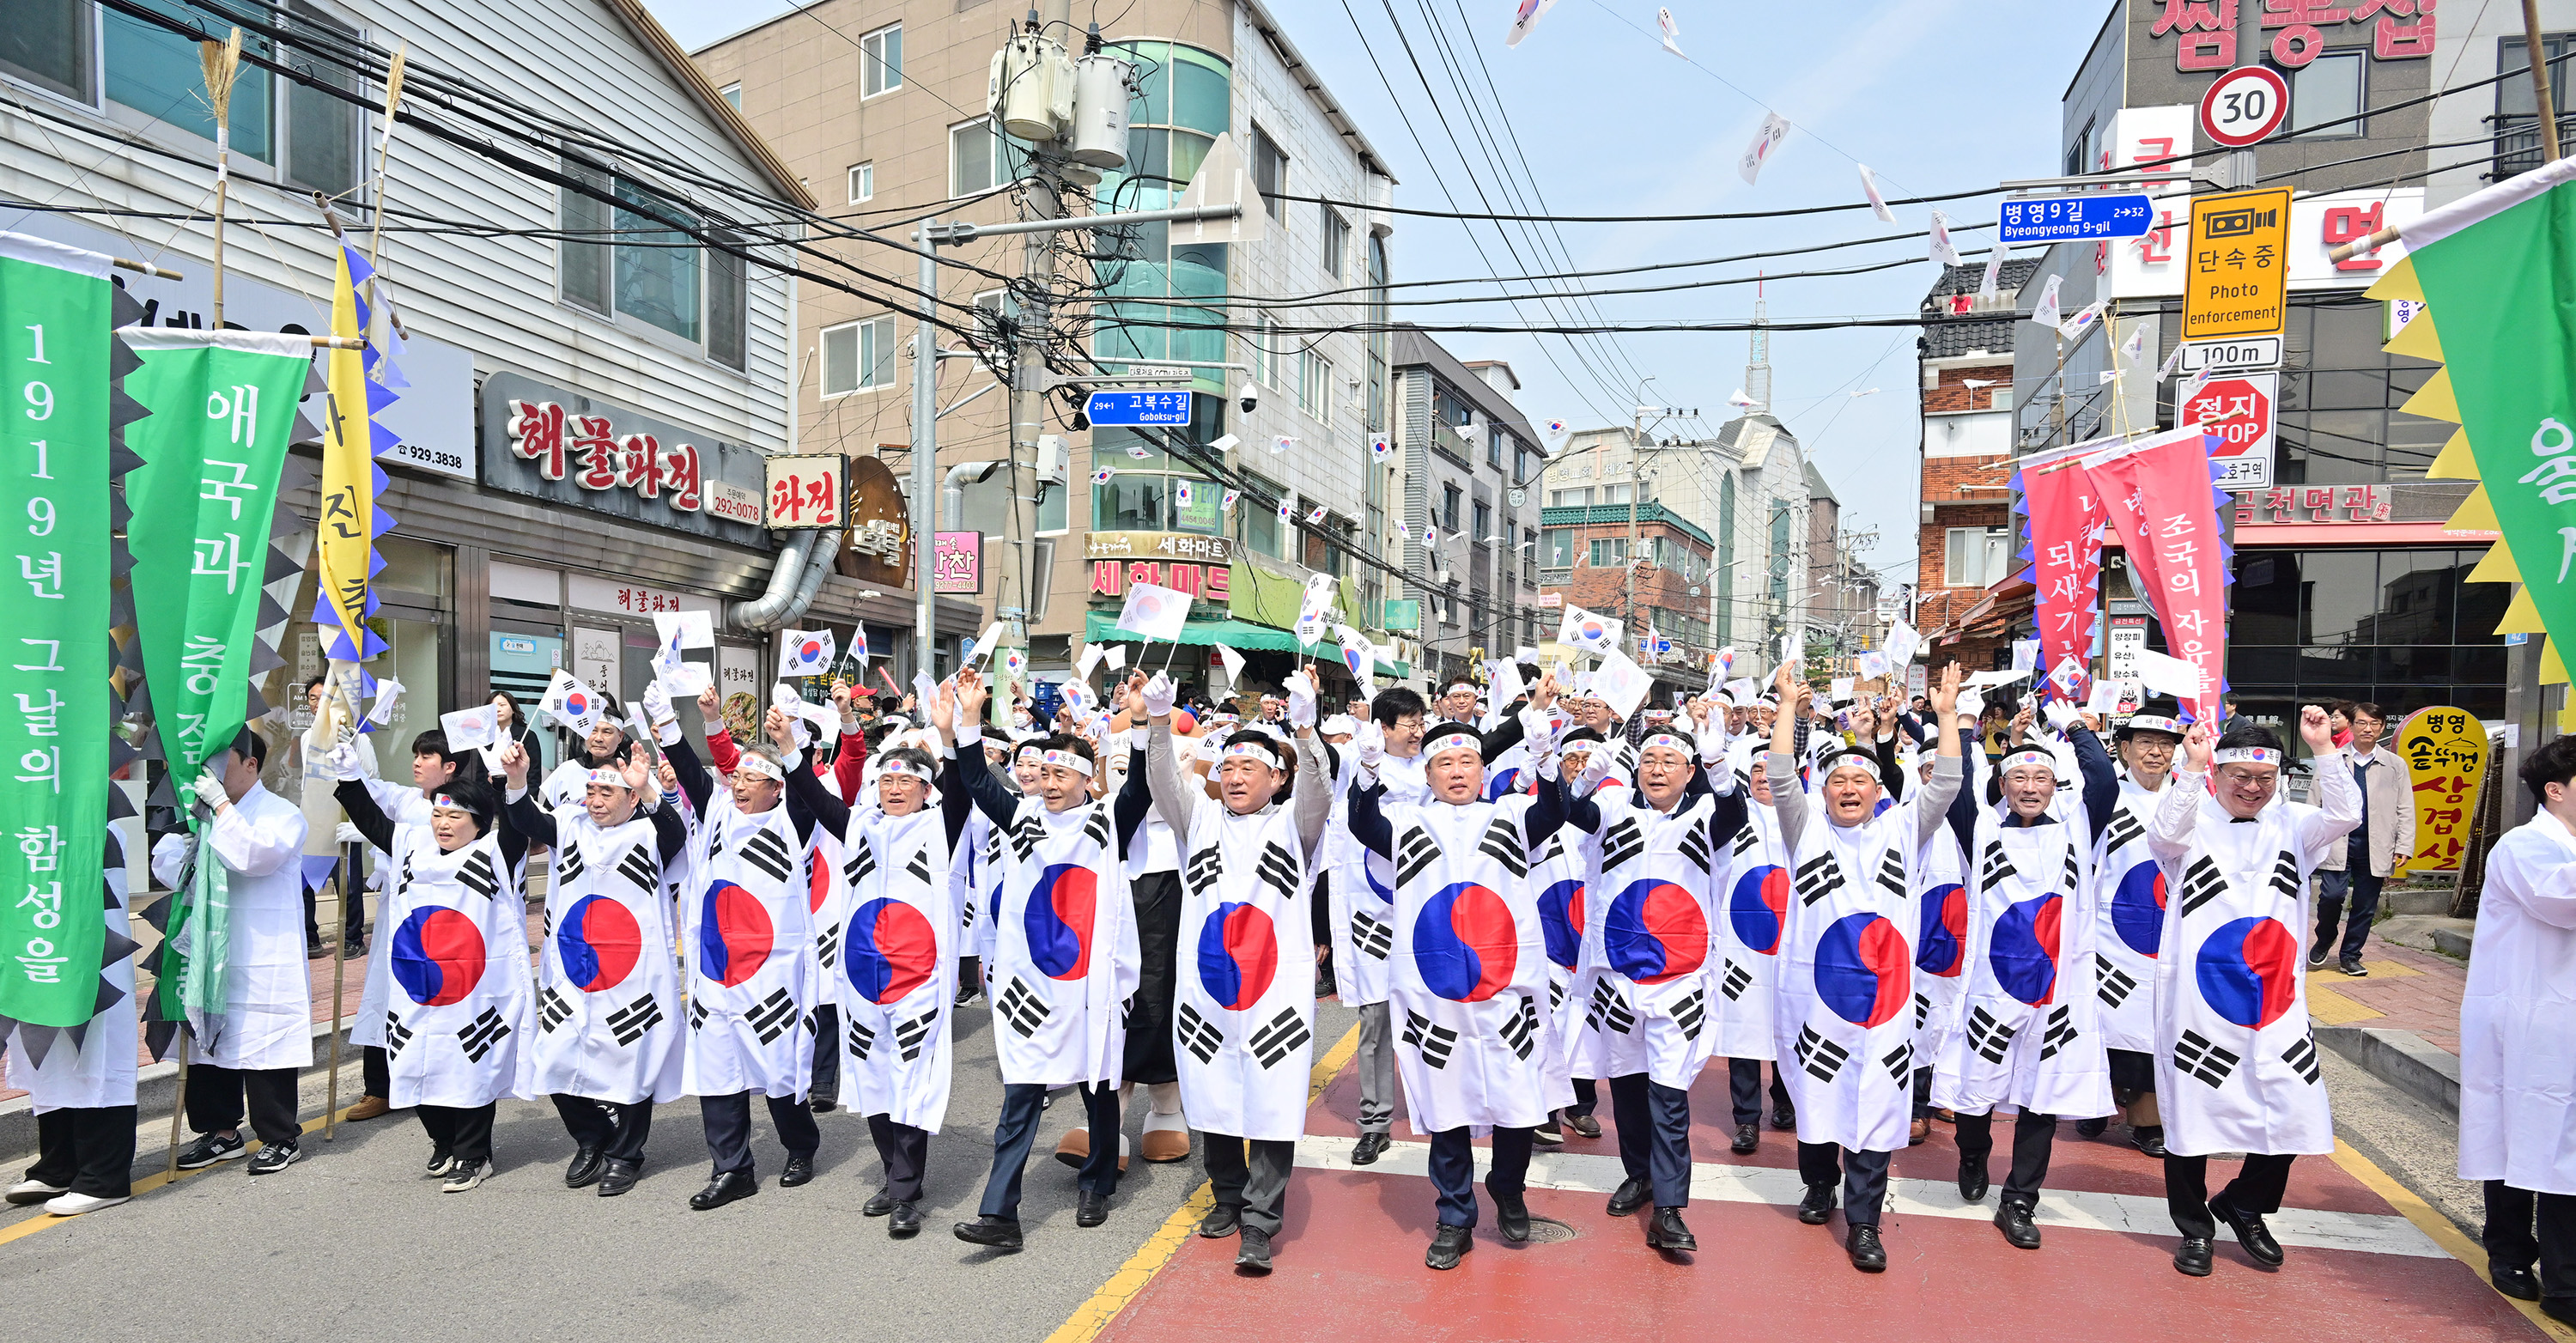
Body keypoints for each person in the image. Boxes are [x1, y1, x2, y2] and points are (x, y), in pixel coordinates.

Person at [1346, 678, 1577, 1270]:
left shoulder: (1513, 815)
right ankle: (1454, 1216)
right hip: (1436, 992)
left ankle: (1508, 1188)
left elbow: (1556, 809)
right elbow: (1361, 825)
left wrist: (1545, 753)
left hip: (1508, 991)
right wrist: (1368, 772)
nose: (1455, 772)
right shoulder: (1407, 824)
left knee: (1517, 1101)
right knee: (1446, 1104)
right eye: (1443, 762)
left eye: (1466, 761)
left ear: (1482, 769)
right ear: (1427, 775)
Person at [1766, 660, 1964, 1273]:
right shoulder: (1804, 831)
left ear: (1880, 792)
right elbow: (1778, 778)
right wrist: (1786, 709)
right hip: (1817, 998)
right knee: (1818, 1098)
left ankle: (1865, 1221)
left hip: (1886, 1000)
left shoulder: (1905, 829)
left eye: (1861, 780)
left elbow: (1947, 784)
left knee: (1878, 1103)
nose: (1849, 789)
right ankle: (1820, 1182)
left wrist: (1948, 715)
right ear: (1822, 790)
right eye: (1838, 781)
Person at [2146, 709, 2357, 1278]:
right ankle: (2194, 1229)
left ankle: (2245, 1202)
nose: (2251, 788)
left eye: (2263, 779)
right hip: (2198, 999)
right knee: (2190, 1113)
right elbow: (2162, 834)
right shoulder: (2191, 822)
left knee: (2292, 1104)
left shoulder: (2295, 824)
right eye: (2239, 775)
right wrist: (2189, 767)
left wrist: (2324, 749)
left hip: (2275, 1000)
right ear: (2218, 774)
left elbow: (2346, 813)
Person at [1139, 669, 1334, 1272]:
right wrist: (1156, 721)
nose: (1237, 776)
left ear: (1277, 779)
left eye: (1251, 768)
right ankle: (1226, 1196)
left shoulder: (1292, 824)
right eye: (1229, 767)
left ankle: (1260, 1220)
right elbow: (1164, 780)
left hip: (1274, 992)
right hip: (1209, 989)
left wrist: (1304, 729)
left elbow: (1320, 793)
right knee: (1215, 1090)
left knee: (1271, 1099)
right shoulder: (1198, 820)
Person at [947, 673, 1146, 1250]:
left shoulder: (1109, 823)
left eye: (1063, 774)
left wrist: (1141, 722)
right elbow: (976, 779)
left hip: (1090, 985)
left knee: (1098, 1091)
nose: (1051, 783)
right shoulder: (1024, 819)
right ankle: (1000, 1215)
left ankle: (1097, 1182)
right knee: (1021, 1095)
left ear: (1087, 779)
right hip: (1034, 986)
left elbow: (1144, 789)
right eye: (1046, 773)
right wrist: (967, 720)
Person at [1557, 697, 1745, 1253]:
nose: (1658, 769)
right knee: (1630, 1089)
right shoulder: (1616, 813)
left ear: (1690, 773)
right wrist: (1582, 779)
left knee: (1669, 1096)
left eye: (1672, 761)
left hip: (1678, 987)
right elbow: (1571, 814)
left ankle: (1669, 1209)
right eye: (1649, 761)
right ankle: (1638, 1174)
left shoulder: (1706, 821)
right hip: (1617, 984)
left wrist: (1720, 763)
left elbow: (1733, 811)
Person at [1929, 702, 2119, 1250]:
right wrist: (1961, 729)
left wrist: (2077, 728)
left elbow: (2103, 780)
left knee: (2043, 1097)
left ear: (2056, 786)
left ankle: (2020, 1199)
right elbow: (1958, 787)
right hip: (1990, 988)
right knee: (1975, 1090)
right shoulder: (1980, 830)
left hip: (2059, 990)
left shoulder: (2079, 828)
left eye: (2041, 777)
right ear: (2003, 785)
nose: (2031, 786)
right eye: (2019, 776)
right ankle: (1972, 1150)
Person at [794, 710, 974, 1239]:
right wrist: (790, 750)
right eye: (887, 780)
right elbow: (810, 789)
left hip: (918, 977)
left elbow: (963, 783)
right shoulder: (858, 827)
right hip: (862, 976)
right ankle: (898, 1174)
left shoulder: (940, 825)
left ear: (926, 789)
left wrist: (956, 728)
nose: (895, 789)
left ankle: (903, 1191)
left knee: (912, 1080)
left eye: (907, 782)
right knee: (872, 1080)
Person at [326, 767, 532, 1192]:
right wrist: (348, 776)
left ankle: (474, 1155)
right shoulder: (412, 846)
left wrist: (508, 782)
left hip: (475, 989)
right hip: (416, 985)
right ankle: (444, 1141)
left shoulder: (496, 851)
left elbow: (514, 825)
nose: (443, 824)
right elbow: (372, 819)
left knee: (472, 1067)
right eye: (439, 815)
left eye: (456, 817)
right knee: (414, 1062)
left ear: (478, 821)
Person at [503, 740, 689, 1198]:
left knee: (631, 1059)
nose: (596, 801)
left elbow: (675, 835)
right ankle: (592, 1138)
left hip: (634, 976)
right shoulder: (570, 824)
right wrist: (516, 780)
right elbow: (528, 820)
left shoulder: (648, 832)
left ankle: (627, 1155)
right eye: (591, 791)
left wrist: (647, 790)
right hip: (573, 970)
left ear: (628, 798)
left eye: (608, 794)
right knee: (553, 1056)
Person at [661, 702, 826, 1212]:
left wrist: (788, 747)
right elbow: (689, 767)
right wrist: (671, 720)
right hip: (717, 969)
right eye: (738, 775)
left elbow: (807, 792)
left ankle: (800, 1144)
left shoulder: (792, 821)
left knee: (778, 1070)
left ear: (776, 788)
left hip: (772, 973)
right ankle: (732, 1169)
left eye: (754, 777)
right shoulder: (715, 815)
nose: (741, 784)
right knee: (718, 1068)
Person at [162, 728, 315, 1176]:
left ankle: (279, 1137)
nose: (209, 772)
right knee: (208, 1038)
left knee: (262, 1040)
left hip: (262, 948)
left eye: (221, 761)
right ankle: (220, 1132)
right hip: (209, 948)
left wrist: (223, 809)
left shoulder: (281, 813)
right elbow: (167, 863)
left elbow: (254, 857)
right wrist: (195, 836)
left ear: (251, 764)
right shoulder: (200, 816)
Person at [2460, 735, 2576, 1321]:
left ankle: (2562, 1274)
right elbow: (2562, 900)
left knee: (2560, 1144)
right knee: (2522, 1135)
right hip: (2527, 1016)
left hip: (2562, 1018)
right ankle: (2511, 1251)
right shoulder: (2525, 846)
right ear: (2555, 791)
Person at [342, 728, 489, 1124]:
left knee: (434, 996)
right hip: (399, 912)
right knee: (382, 994)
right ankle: (380, 1087)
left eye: (427, 757)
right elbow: (372, 799)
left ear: (450, 767)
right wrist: (350, 764)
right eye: (416, 755)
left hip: (445, 920)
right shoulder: (406, 798)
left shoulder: (469, 811)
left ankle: (440, 1082)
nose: (417, 763)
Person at [4, 802, 143, 1215]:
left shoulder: (92, 829)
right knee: (48, 1052)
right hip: (38, 939)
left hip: (81, 946)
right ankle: (60, 1164)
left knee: (96, 1045)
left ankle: (104, 1176)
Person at [2080, 702, 2186, 1157]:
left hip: (2171, 930)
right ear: (2124, 749)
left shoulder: (2190, 798)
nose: (2156, 753)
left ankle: (2148, 1119)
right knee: (2105, 1020)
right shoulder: (2106, 798)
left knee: (2158, 1025)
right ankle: (2093, 1098)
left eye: (2165, 745)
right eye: (2145, 743)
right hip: (2110, 930)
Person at [1715, 752, 1796, 1153]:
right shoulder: (1731, 815)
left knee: (1790, 1023)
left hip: (1793, 940)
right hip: (1740, 945)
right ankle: (1746, 1119)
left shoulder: (1808, 815)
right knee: (1744, 1025)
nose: (1764, 777)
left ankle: (1785, 1101)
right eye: (1757, 771)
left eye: (1771, 770)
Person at [2311, 702, 2414, 977]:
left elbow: (2405, 806)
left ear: (2382, 727)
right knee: (2331, 897)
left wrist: (2404, 844)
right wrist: (2309, 838)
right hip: (2337, 840)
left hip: (2376, 842)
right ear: (2352, 725)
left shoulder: (2395, 764)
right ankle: (2325, 937)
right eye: (2362, 723)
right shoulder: (2333, 758)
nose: (2368, 729)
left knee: (2365, 905)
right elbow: (2315, 800)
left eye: (2374, 724)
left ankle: (2350, 955)